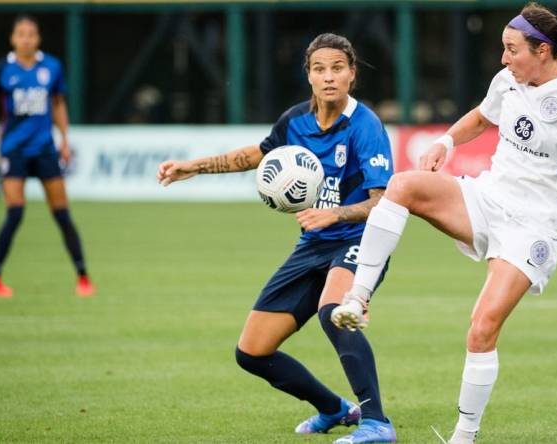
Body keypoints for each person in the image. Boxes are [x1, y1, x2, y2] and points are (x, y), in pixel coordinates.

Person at [331, 2, 557, 443]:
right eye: (503, 48)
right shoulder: (508, 80)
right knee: (402, 186)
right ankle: (358, 300)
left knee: (482, 328)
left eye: (512, 49)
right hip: (487, 199)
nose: (503, 58)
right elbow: (481, 116)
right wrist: (444, 140)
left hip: (533, 227)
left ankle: (464, 436)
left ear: (544, 51)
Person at [158, 33, 397, 444]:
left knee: (333, 311)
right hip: (313, 246)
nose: (328, 77)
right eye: (319, 69)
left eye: (337, 68)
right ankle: (334, 409)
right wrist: (194, 166)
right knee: (251, 351)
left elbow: (384, 201)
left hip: (359, 240)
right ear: (308, 75)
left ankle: (377, 422)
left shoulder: (365, 126)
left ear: (352, 74)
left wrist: (335, 212)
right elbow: (259, 154)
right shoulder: (295, 122)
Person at [0, 15, 94, 298]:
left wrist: (64, 139)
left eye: (31, 34)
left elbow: (59, 105)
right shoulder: (0, 70)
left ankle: (83, 277)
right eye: (21, 34)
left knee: (62, 214)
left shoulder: (51, 67)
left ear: (38, 39)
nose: (26, 38)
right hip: (14, 150)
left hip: (45, 149)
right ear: (13, 39)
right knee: (15, 213)